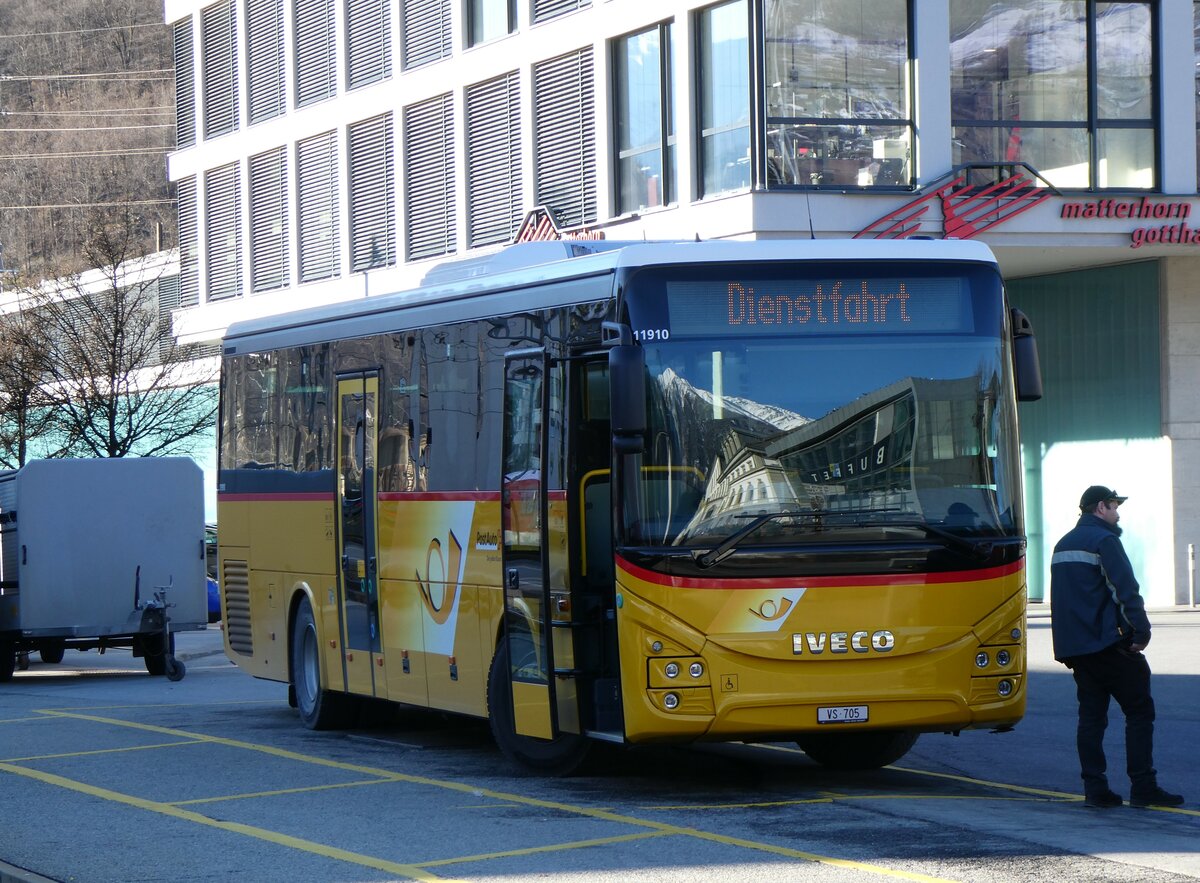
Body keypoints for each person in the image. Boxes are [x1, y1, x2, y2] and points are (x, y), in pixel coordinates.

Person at [1050, 485, 1184, 809]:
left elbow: (1061, 601)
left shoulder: (1062, 544)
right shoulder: (1104, 540)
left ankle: (1095, 790)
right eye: (1114, 506)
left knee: (1091, 718)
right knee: (1139, 712)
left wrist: (1066, 647)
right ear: (1100, 507)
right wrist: (1141, 631)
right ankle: (1143, 786)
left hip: (1078, 650)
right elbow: (1125, 589)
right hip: (1109, 644)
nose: (1118, 513)